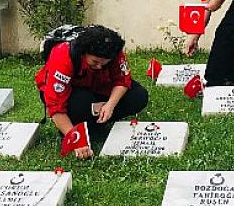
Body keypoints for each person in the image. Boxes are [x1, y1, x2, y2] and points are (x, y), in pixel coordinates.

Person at [35, 26, 149, 160]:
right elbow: (55, 104)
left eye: (104, 63)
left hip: (99, 87)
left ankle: (95, 121)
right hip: (72, 93)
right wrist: (76, 139)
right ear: (84, 52)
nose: (99, 66)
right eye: (95, 62)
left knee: (138, 96)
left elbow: (122, 80)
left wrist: (110, 105)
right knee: (82, 104)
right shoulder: (63, 55)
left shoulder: (113, 52)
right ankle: (76, 126)